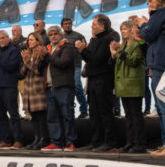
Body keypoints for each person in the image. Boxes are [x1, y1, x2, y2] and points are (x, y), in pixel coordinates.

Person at [135, 0, 165, 158]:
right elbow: (158, 39)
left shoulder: (161, 13)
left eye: (151, 0)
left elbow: (150, 33)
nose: (149, 4)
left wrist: (142, 24)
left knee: (164, 106)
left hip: (161, 64)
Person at [75, 14, 117, 152]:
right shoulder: (94, 40)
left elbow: (98, 59)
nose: (91, 27)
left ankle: (109, 141)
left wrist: (83, 50)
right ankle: (95, 141)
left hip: (103, 79)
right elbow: (89, 59)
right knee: (93, 112)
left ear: (102, 26)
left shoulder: (108, 39)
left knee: (105, 111)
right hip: (92, 79)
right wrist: (83, 51)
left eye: (94, 24)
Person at [110, 21, 146, 153]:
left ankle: (140, 143)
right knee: (129, 116)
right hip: (123, 85)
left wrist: (120, 52)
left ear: (132, 30)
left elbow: (134, 61)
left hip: (133, 84)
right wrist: (114, 53)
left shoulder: (138, 44)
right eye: (121, 29)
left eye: (125, 29)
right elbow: (119, 62)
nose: (123, 31)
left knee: (136, 115)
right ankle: (130, 142)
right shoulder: (124, 45)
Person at [39, 26, 77, 151]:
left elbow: (63, 63)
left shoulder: (67, 46)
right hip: (50, 87)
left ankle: (69, 142)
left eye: (55, 34)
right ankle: (56, 142)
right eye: (50, 35)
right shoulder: (48, 49)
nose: (53, 36)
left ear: (61, 35)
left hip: (64, 86)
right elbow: (40, 68)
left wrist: (47, 56)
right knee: (52, 116)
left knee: (67, 115)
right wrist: (42, 57)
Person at [0, 30, 23, 150]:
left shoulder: (14, 50)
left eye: (3, 38)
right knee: (0, 115)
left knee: (13, 114)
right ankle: (6, 140)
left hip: (9, 85)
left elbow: (11, 67)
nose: (1, 40)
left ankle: (18, 140)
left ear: (8, 38)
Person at [19, 32, 49, 150]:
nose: (29, 42)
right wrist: (25, 62)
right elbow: (22, 73)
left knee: (41, 116)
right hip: (29, 89)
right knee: (34, 117)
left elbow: (37, 70)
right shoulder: (29, 53)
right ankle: (37, 138)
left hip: (38, 89)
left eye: (31, 40)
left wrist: (28, 62)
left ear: (38, 41)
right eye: (28, 40)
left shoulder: (41, 51)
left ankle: (44, 138)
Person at [61, 18, 88, 119]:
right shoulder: (60, 37)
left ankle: (84, 110)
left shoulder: (78, 35)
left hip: (75, 65)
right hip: (64, 67)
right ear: (62, 26)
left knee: (77, 86)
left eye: (69, 23)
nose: (68, 25)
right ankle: (69, 111)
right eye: (65, 24)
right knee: (66, 89)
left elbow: (85, 49)